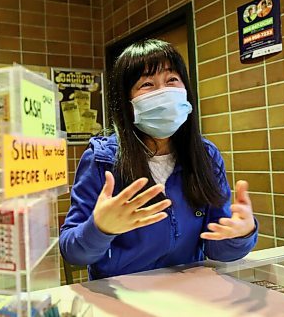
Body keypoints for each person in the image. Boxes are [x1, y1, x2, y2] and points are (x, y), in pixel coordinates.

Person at [59, 39, 258, 281]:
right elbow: (73, 253)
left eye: (172, 80)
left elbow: (218, 250)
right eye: (147, 84)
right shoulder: (102, 160)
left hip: (188, 292)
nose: (163, 92)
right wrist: (100, 228)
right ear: (128, 102)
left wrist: (241, 234)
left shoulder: (205, 156)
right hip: (122, 297)